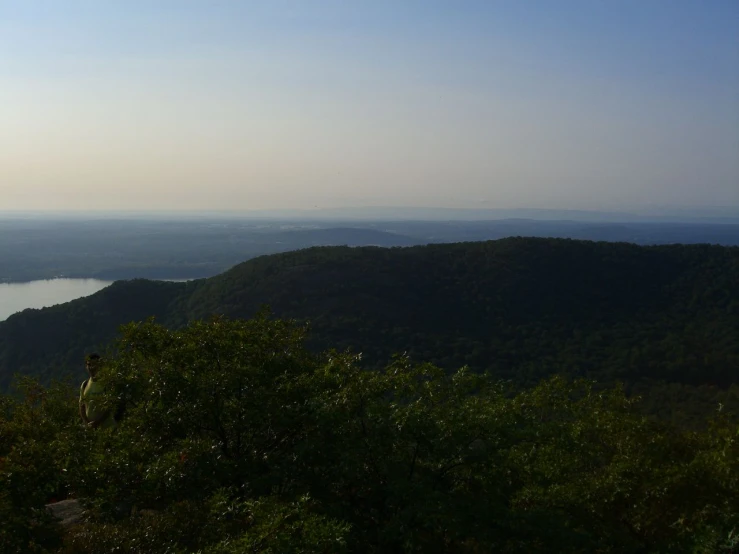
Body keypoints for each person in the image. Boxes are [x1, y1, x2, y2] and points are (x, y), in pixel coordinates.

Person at [79, 353, 115, 429]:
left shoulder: (107, 383)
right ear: (86, 366)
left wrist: (98, 423)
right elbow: (82, 406)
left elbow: (110, 407)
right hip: (92, 431)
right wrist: (87, 423)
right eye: (89, 364)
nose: (91, 367)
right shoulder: (84, 384)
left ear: (100, 365)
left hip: (108, 430)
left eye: (94, 364)